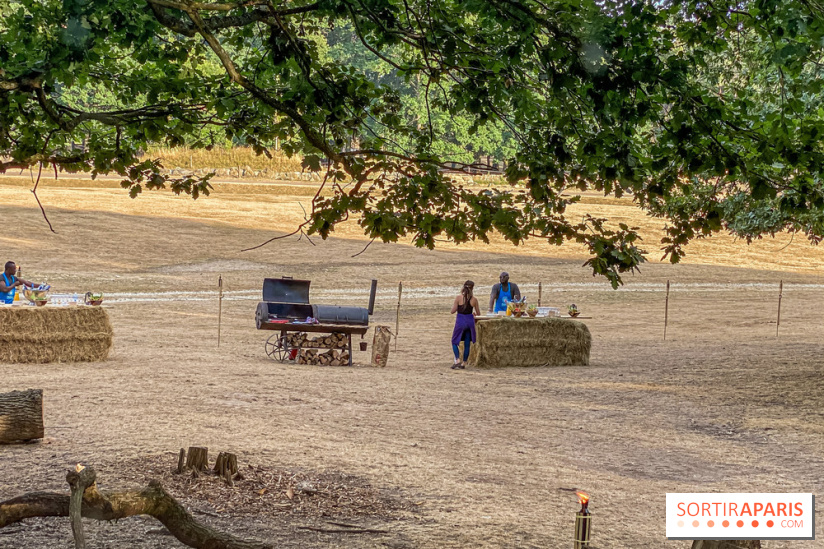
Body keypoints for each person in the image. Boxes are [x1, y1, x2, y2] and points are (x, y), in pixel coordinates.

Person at [450, 280, 480, 369]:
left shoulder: (459, 298)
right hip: (470, 321)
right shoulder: (474, 300)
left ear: (463, 287)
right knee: (467, 343)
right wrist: (474, 314)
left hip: (460, 321)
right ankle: (464, 362)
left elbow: (452, 311)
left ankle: (457, 359)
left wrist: (457, 306)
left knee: (454, 341)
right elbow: (478, 314)